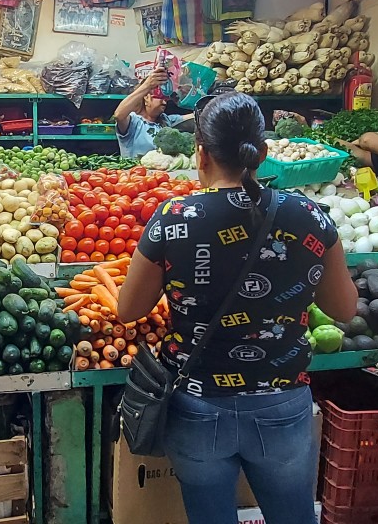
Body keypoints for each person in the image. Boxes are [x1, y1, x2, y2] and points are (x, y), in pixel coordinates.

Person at [117, 92, 357, 524]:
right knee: (293, 516)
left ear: (201, 153)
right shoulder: (308, 214)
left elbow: (129, 308)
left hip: (196, 402)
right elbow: (343, 308)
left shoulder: (175, 215)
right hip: (281, 396)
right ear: (263, 154)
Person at [113, 66, 193, 158]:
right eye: (160, 97)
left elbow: (195, 117)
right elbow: (119, 115)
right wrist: (147, 85)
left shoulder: (166, 120)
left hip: (163, 172)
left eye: (166, 98)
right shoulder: (133, 122)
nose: (164, 101)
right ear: (146, 97)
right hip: (136, 171)